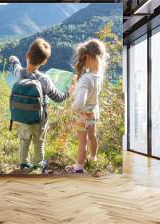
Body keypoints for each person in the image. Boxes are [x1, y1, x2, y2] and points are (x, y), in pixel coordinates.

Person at [9, 38, 74, 173]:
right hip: (40, 119)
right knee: (39, 142)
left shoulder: (19, 73)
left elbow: (15, 65)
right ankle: (39, 164)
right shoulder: (44, 79)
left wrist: (14, 59)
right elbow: (58, 98)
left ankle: (24, 164)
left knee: (24, 140)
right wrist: (69, 92)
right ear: (44, 61)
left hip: (23, 117)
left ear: (27, 56)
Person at [66, 39, 109, 174]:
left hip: (83, 114)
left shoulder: (86, 78)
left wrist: (71, 108)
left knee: (82, 141)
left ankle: (79, 166)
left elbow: (80, 102)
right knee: (92, 136)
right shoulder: (98, 76)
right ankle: (93, 157)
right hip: (93, 112)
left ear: (88, 57)